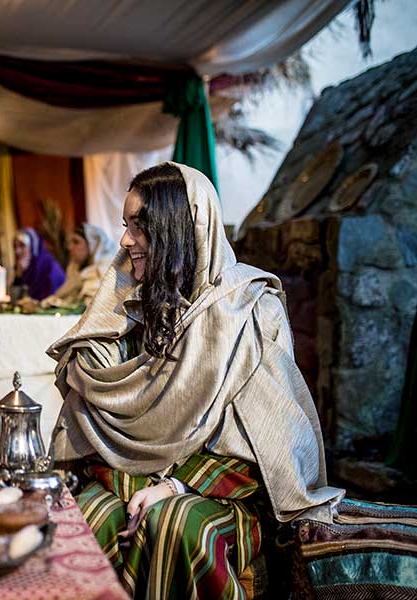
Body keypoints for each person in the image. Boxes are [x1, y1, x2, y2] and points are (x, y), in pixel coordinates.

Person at [47, 162, 343, 599]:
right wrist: (94, 350)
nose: (126, 241)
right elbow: (96, 386)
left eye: (140, 227)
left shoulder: (247, 312)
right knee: (79, 520)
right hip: (128, 475)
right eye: (124, 226)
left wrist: (175, 484)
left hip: (226, 490)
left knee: (176, 527)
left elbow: (272, 439)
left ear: (178, 231)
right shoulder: (132, 306)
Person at [21, 223, 117, 312]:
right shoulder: (74, 270)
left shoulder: (103, 272)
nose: (70, 247)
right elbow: (65, 298)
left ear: (93, 245)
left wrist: (49, 305)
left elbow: (87, 307)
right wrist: (40, 305)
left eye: (76, 242)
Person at [12, 227, 65, 301]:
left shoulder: (47, 266)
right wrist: (18, 276)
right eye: (15, 246)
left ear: (33, 247)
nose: (17, 251)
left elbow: (51, 298)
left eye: (22, 245)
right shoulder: (23, 267)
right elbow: (14, 300)